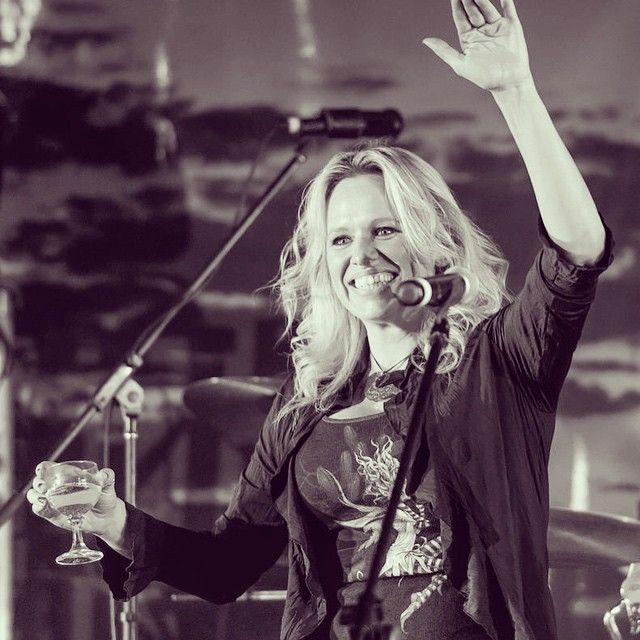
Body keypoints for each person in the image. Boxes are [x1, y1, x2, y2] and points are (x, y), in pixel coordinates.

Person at [27, 1, 611, 638]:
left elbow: (576, 253)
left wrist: (515, 91)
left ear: (434, 241)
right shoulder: (306, 404)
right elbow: (226, 566)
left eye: (385, 230)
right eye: (340, 239)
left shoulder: (499, 366)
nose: (361, 256)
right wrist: (112, 519)